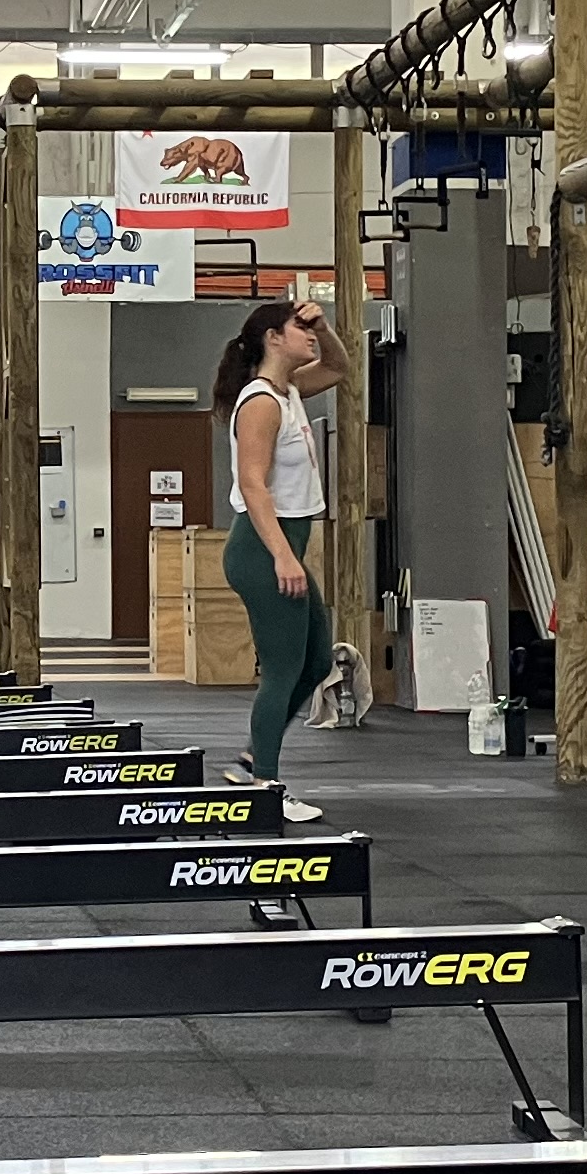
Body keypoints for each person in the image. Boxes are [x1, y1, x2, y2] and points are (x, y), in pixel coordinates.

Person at [215, 294, 346, 822]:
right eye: (299, 328)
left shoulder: (287, 390)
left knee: (316, 663)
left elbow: (338, 367)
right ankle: (263, 785)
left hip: (282, 546)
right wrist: (283, 558)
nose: (309, 336)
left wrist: (324, 324)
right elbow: (253, 484)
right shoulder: (261, 402)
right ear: (273, 338)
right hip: (261, 548)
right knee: (282, 669)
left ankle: (253, 758)